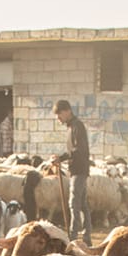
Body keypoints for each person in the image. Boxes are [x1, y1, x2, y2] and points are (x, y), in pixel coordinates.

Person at [51, 100, 90, 241]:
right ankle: (86, 237)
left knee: (74, 203)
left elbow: (79, 149)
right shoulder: (72, 127)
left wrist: (61, 158)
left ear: (67, 111)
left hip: (79, 170)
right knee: (82, 204)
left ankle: (73, 237)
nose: (58, 118)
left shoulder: (77, 126)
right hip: (76, 169)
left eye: (59, 114)